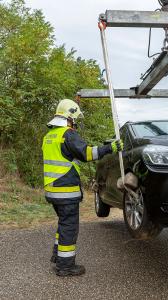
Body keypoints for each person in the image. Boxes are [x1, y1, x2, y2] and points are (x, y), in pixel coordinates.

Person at [42, 99, 123, 277]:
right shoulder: (68, 134)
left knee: (63, 223)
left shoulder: (49, 136)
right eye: (75, 119)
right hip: (65, 192)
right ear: (70, 116)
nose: (75, 123)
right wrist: (111, 147)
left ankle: (57, 256)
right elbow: (88, 154)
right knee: (69, 226)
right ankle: (65, 266)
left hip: (52, 191)